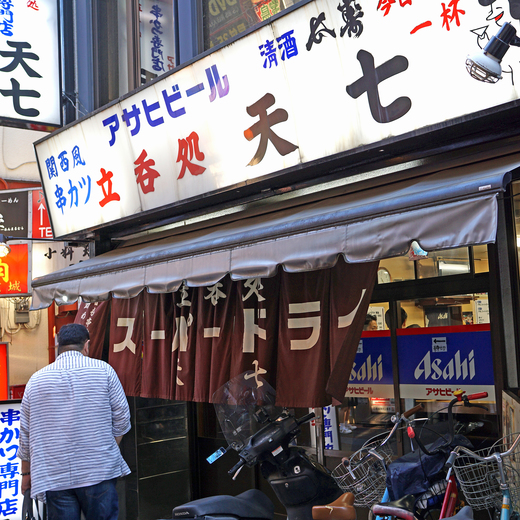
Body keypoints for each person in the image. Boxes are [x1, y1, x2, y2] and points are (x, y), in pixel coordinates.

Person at [19, 323, 131, 520]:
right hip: (99, 472)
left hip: (54, 475)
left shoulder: (36, 380)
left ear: (57, 345)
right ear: (86, 345)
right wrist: (107, 448)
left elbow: (26, 433)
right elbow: (122, 418)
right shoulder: (104, 371)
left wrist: (26, 475)